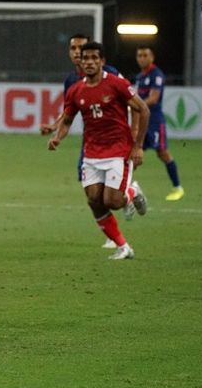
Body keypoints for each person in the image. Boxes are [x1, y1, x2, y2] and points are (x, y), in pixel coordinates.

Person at [48, 42, 150, 260]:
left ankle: (132, 192)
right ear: (81, 62)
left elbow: (143, 109)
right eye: (86, 58)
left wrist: (138, 146)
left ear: (102, 61)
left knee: (112, 201)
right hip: (92, 154)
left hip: (118, 151)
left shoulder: (116, 84)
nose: (90, 62)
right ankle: (123, 246)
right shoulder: (76, 90)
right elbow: (67, 120)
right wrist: (57, 138)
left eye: (95, 58)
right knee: (94, 200)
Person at [40, 33, 127, 249]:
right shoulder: (71, 80)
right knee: (91, 193)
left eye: (81, 48)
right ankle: (112, 234)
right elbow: (69, 111)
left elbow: (128, 96)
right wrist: (55, 127)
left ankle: (128, 192)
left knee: (110, 197)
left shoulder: (110, 75)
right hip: (92, 142)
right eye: (73, 48)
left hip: (115, 141)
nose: (77, 52)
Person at [134, 45, 185, 201]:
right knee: (133, 153)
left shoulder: (157, 75)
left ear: (152, 57)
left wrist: (137, 105)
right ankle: (125, 188)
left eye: (145, 55)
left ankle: (178, 188)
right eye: (139, 55)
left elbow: (154, 98)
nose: (142, 58)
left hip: (155, 121)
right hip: (143, 121)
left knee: (162, 153)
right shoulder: (139, 77)